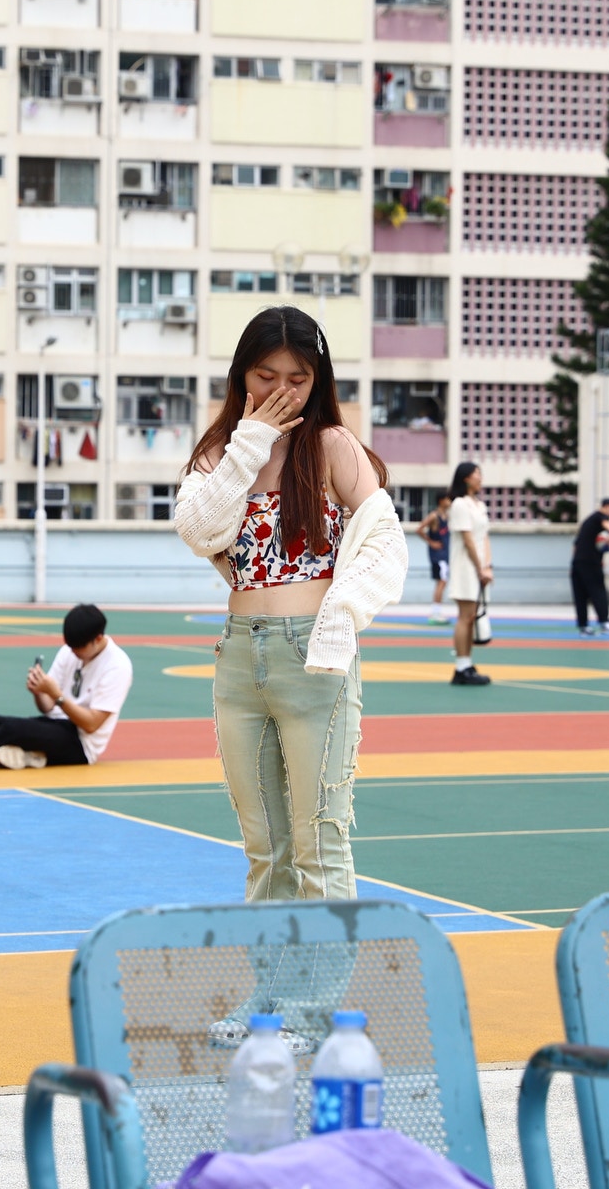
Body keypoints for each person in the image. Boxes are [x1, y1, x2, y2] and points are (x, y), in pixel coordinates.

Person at [174, 306, 406, 904]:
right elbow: (199, 529)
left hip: (314, 656)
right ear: (240, 377)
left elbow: (385, 538)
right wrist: (249, 443)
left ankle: (318, 998)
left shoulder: (332, 446)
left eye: (297, 378)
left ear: (319, 380)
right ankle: (273, 995)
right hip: (239, 659)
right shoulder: (222, 454)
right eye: (265, 376)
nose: (280, 391)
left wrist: (343, 614)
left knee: (319, 848)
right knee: (265, 853)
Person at [0, 603, 134, 769]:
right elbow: (48, 708)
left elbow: (91, 724)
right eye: (70, 646)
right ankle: (19, 755)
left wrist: (57, 695)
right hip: (53, 724)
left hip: (80, 743)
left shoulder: (117, 665)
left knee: (13, 730)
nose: (73, 652)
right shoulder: (69, 651)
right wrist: (39, 692)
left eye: (78, 647)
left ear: (98, 638)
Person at [446, 462, 493, 685]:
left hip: (479, 568)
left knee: (472, 616)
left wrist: (488, 566)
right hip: (466, 567)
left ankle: (467, 664)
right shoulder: (460, 505)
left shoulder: (479, 505)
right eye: (477, 474)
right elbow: (467, 540)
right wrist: (480, 567)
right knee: (466, 616)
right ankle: (461, 667)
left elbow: (483, 538)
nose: (480, 478)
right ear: (466, 478)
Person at [570, 497, 609, 637]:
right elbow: (608, 526)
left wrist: (574, 563)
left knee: (580, 595)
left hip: (578, 562)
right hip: (590, 563)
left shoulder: (588, 522)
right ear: (608, 507)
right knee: (598, 591)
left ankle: (583, 626)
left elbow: (575, 544)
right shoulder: (600, 516)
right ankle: (604, 622)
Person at [418, 494, 452, 624]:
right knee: (442, 581)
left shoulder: (447, 517)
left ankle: (437, 612)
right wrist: (431, 542)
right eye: (448, 499)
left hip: (445, 554)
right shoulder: (434, 516)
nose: (450, 502)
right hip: (438, 556)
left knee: (442, 582)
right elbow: (419, 529)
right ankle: (435, 613)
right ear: (441, 500)